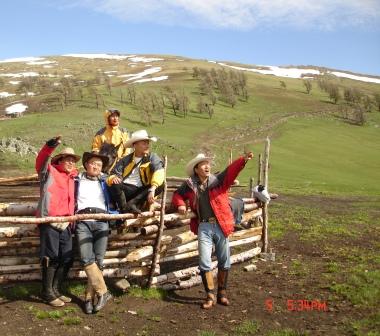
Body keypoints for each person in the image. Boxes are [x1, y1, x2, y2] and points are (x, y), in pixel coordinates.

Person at [171, 152, 254, 309]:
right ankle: (210, 295)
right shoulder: (189, 185)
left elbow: (231, 171)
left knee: (224, 260)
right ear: (196, 169)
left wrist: (243, 160)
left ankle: (222, 293)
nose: (207, 166)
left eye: (208, 163)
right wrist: (181, 204)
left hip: (221, 224)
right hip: (204, 226)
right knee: (204, 260)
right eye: (203, 164)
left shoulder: (218, 181)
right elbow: (177, 195)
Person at [35, 136, 80, 307]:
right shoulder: (49, 172)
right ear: (59, 160)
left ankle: (56, 290)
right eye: (67, 159)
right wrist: (49, 146)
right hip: (50, 220)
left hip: (67, 223)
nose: (70, 163)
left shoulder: (73, 178)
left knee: (67, 258)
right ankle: (46, 293)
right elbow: (41, 162)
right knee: (51, 257)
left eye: (73, 161)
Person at [75, 152, 113, 314]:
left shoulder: (107, 180)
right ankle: (104, 292)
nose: (96, 166)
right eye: (93, 163)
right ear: (86, 165)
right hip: (83, 220)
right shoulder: (77, 179)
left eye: (99, 164)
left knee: (98, 261)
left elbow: (122, 191)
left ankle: (88, 298)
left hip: (102, 221)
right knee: (86, 258)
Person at [107, 129, 164, 214]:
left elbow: (159, 171)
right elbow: (114, 173)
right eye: (144, 143)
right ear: (135, 145)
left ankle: (131, 204)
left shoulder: (152, 157)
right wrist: (114, 178)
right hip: (126, 189)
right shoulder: (126, 159)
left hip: (142, 191)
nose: (147, 146)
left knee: (160, 185)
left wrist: (153, 188)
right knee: (114, 184)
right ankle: (125, 208)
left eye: (148, 143)